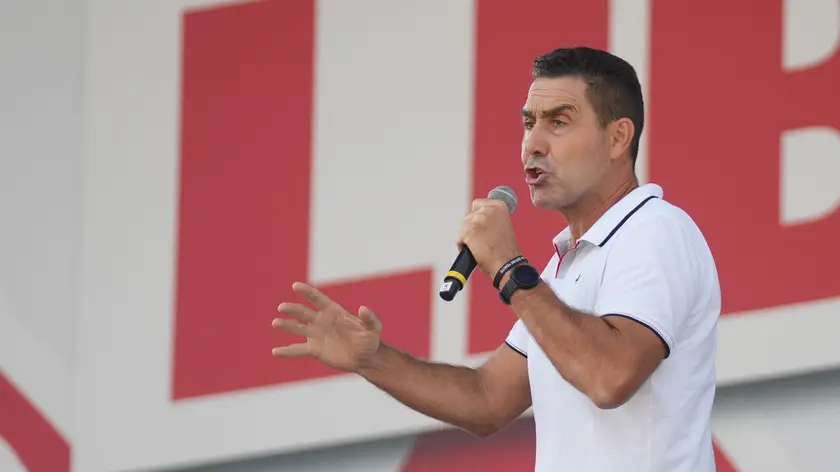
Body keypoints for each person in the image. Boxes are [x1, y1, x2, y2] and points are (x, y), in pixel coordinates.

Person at [271, 46, 720, 472]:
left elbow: (610, 376)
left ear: (618, 137)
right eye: (528, 123)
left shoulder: (656, 230)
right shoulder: (563, 268)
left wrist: (508, 267)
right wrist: (372, 359)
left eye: (558, 122)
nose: (533, 144)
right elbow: (487, 399)